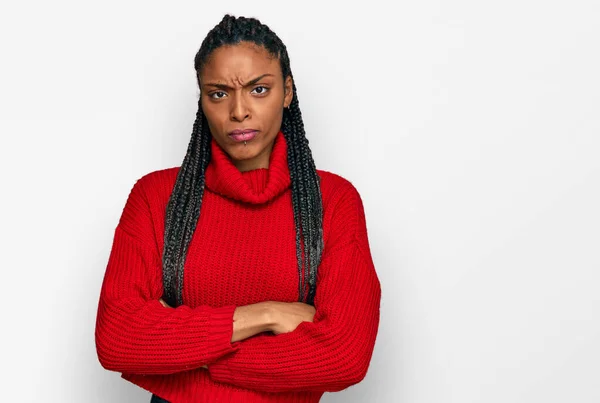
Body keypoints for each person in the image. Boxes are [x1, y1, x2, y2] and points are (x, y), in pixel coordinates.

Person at [94, 13, 381, 403]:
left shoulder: (333, 200)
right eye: (218, 93)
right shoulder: (155, 197)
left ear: (288, 91)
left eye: (259, 89)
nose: (239, 111)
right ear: (202, 99)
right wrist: (266, 315)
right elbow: (117, 339)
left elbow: (345, 356)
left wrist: (187, 354)